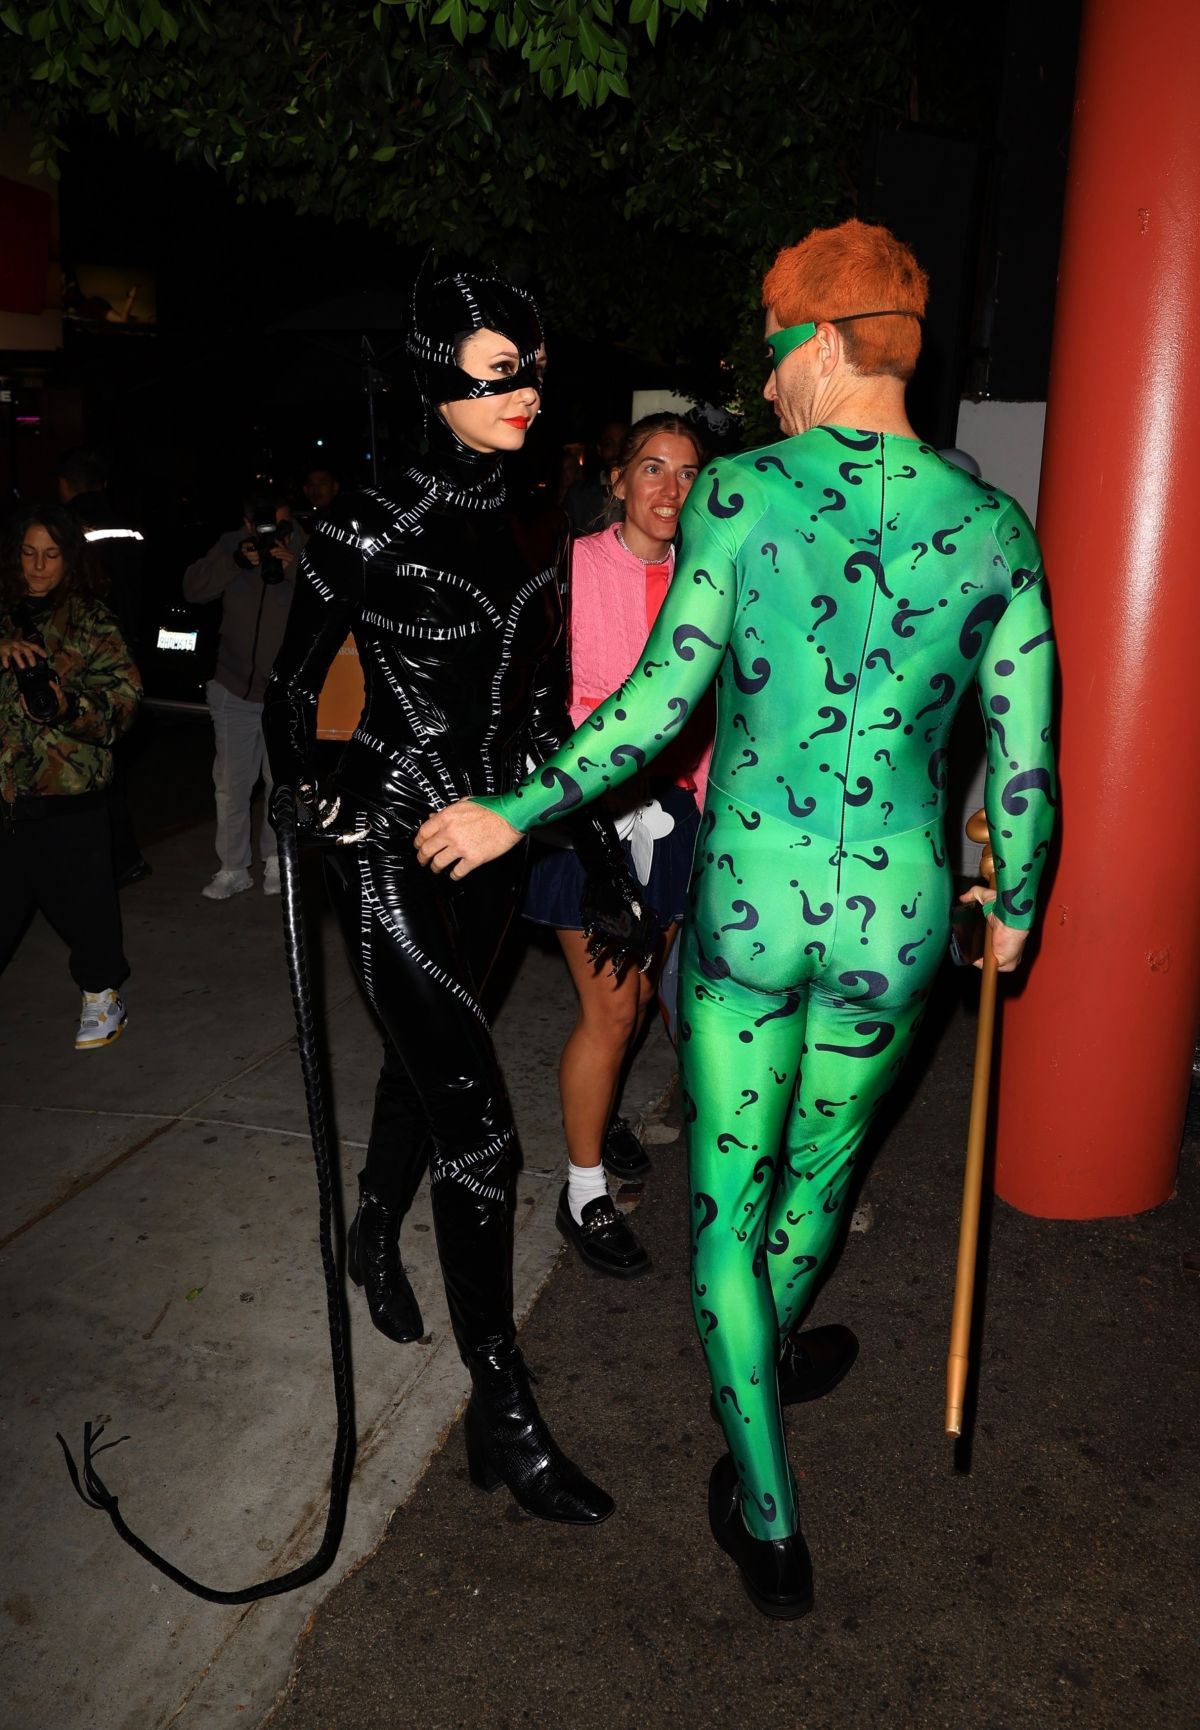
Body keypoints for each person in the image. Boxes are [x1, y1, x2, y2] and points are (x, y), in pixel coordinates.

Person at [414, 219, 1058, 1616]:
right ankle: (764, 1336)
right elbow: (1025, 770)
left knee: (729, 1199)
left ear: (824, 346)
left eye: (774, 358)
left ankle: (765, 1504)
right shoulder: (995, 527)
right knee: (814, 1188)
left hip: (756, 905)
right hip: (893, 921)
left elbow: (652, 705)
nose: (766, 393)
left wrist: (514, 810)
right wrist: (1014, 900)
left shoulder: (744, 498)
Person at [264, 267, 650, 1527]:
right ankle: (505, 1406)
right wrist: (316, 797)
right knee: (483, 1127)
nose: (522, 392)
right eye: (495, 373)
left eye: (532, 368)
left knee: (432, 1071)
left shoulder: (542, 522)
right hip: (390, 845)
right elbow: (288, 690)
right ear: (435, 381)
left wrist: (594, 857)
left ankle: (375, 1227)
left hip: (496, 848)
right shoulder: (367, 525)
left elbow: (545, 713)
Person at [523, 413, 710, 1277]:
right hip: (586, 818)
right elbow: (551, 696)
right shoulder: (571, 568)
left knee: (637, 1003)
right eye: (652, 469)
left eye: (686, 473)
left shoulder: (706, 581)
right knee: (608, 1010)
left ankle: (604, 1130)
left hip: (672, 814)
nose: (669, 489)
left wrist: (700, 800)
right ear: (620, 479)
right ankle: (582, 1189)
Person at [0, 504, 142, 1049]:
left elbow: (123, 707)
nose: (38, 566)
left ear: (69, 559)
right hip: (7, 794)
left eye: (51, 555)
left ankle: (102, 997)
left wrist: (66, 707)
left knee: (85, 909)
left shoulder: (91, 621)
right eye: (28, 553)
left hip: (68, 793)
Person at [182, 494, 304, 899]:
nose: (273, 533)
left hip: (284, 692)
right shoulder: (232, 544)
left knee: (280, 784)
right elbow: (193, 588)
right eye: (264, 525)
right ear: (248, 523)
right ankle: (233, 868)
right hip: (233, 687)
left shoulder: (308, 543)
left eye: (281, 523)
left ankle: (276, 861)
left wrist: (292, 567)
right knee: (231, 785)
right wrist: (235, 561)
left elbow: (336, 599)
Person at [56, 446, 151, 888]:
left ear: (65, 487)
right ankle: (121, 858)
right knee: (110, 761)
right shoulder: (128, 524)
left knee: (90, 765)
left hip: (83, 653)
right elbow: (143, 581)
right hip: (124, 648)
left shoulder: (65, 529)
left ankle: (110, 860)